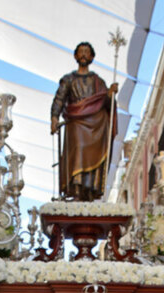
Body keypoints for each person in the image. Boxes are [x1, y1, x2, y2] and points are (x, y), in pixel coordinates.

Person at [50, 42, 118, 201]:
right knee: (77, 155)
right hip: (76, 125)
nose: (83, 55)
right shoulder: (68, 79)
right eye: (81, 52)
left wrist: (110, 94)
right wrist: (54, 117)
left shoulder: (98, 81)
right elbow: (59, 99)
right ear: (75, 56)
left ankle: (89, 191)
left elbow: (107, 105)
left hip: (97, 125)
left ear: (92, 57)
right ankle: (77, 190)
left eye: (87, 52)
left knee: (93, 157)